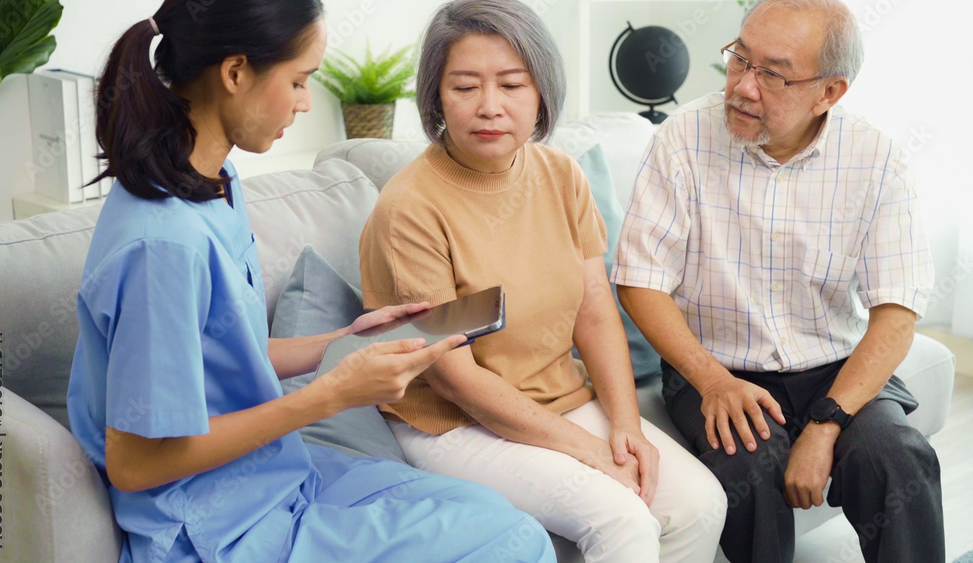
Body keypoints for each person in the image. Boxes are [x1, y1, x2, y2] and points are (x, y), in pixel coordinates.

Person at [65, 1, 558, 562]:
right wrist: (329, 397)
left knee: (498, 517)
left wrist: (345, 340)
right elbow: (135, 462)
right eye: (298, 81)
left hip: (277, 477)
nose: (304, 103)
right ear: (234, 73)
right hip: (216, 529)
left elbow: (222, 357)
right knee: (514, 544)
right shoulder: (162, 246)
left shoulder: (215, 180)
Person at [358, 1, 726, 561]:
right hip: (453, 424)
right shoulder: (410, 208)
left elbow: (594, 311)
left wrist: (626, 424)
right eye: (464, 87)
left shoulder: (561, 176)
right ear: (436, 96)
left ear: (541, 94)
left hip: (560, 394)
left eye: (511, 84)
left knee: (701, 503)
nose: (489, 107)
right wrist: (588, 452)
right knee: (623, 518)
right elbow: (455, 379)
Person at [612, 0, 945, 561]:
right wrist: (712, 381)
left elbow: (896, 311)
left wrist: (826, 424)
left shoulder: (875, 158)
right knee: (752, 470)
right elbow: (640, 281)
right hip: (715, 367)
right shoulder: (682, 139)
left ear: (829, 93)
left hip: (834, 368)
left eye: (773, 73)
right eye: (740, 59)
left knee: (894, 455)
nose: (743, 86)